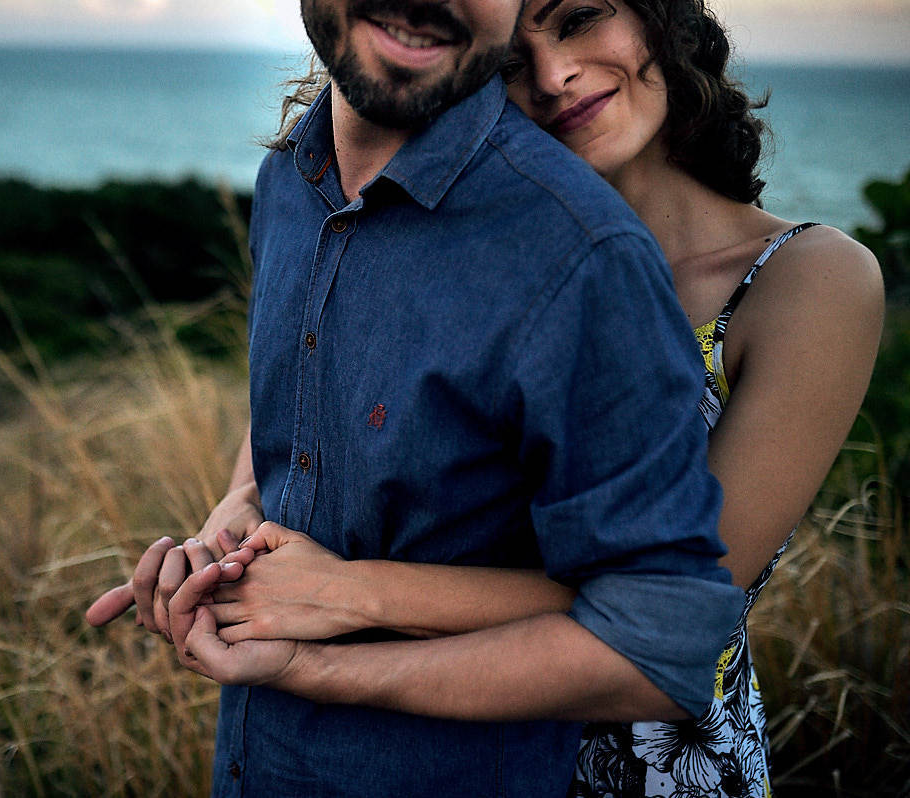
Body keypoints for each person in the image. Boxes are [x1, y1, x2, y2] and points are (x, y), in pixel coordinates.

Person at [91, 1, 884, 795]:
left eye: (579, 19)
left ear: (662, 23)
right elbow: (325, 398)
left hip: (649, 753)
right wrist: (243, 516)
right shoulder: (445, 234)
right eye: (513, 57)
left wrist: (343, 595)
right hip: (426, 730)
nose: (552, 76)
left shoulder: (806, 279)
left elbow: (680, 604)